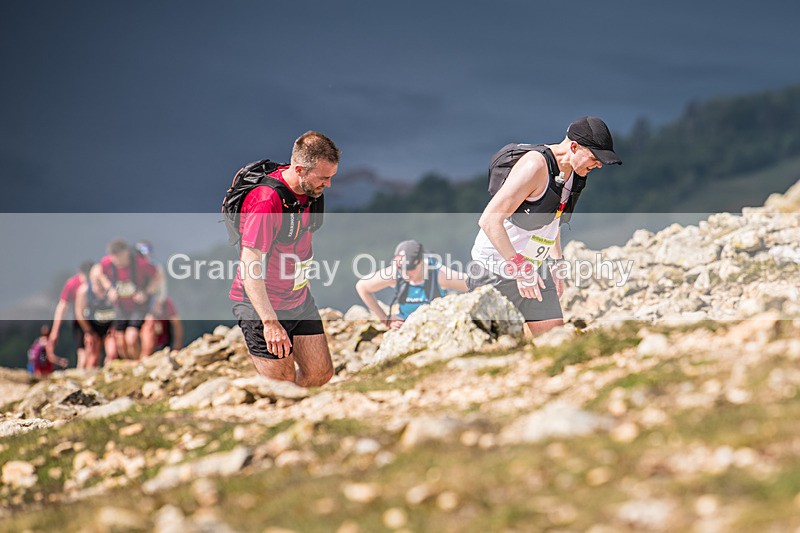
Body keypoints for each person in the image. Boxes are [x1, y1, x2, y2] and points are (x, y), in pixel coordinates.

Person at [468, 116, 622, 335]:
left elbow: (553, 217)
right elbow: (489, 220)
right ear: (574, 146)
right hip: (495, 272)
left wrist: (556, 264)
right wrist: (520, 268)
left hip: (535, 271)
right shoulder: (535, 166)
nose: (598, 164)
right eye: (595, 157)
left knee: (554, 342)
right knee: (501, 352)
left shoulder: (574, 173)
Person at [228, 131, 339, 386]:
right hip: (263, 306)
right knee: (282, 384)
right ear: (299, 169)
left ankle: (297, 415)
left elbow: (302, 243)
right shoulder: (266, 202)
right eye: (324, 177)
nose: (329, 185)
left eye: (331, 177)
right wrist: (269, 322)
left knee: (320, 373)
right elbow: (250, 264)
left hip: (298, 298)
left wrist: (305, 287)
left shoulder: (311, 192)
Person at [356, 240, 468, 329]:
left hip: (435, 327)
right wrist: (385, 319)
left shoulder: (439, 275)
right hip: (404, 327)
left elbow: (473, 284)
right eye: (401, 268)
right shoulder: (394, 274)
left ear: (421, 261)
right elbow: (362, 287)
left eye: (410, 268)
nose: (405, 274)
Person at [93, 238, 162, 359]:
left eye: (119, 257)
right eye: (113, 258)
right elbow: (97, 272)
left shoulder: (140, 263)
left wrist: (146, 292)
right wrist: (109, 289)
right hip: (120, 306)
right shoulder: (107, 263)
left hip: (137, 306)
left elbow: (158, 276)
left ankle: (137, 363)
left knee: (131, 337)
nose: (117, 261)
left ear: (126, 252)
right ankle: (128, 363)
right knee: (120, 341)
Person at [47, 260, 93, 369]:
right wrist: (55, 331)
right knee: (83, 354)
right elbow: (62, 307)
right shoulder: (72, 284)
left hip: (98, 318)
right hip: (80, 321)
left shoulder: (98, 280)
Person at [74, 273, 118, 366]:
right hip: (92, 328)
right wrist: (89, 331)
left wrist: (115, 327)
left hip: (108, 328)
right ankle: (90, 377)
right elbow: (79, 314)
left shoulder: (112, 292)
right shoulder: (85, 292)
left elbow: (120, 311)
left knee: (112, 353)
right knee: (92, 357)